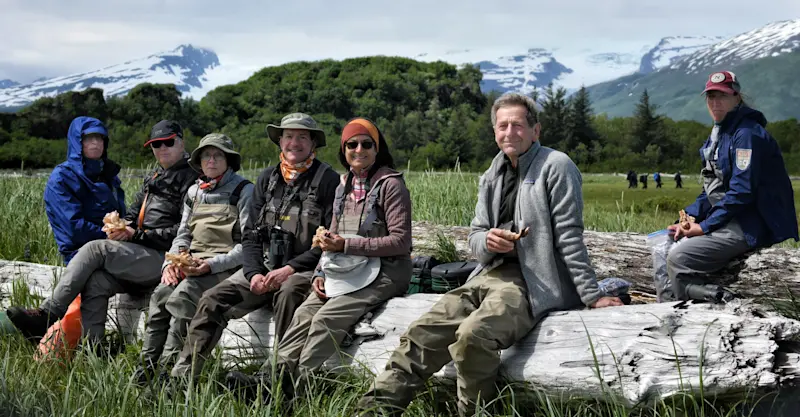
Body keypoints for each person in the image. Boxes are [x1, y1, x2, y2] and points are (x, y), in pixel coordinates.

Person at [356, 93, 622, 416]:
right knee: (421, 333)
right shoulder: (491, 174)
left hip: (534, 281)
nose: (509, 132)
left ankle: (474, 412)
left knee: (473, 335)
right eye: (502, 125)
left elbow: (569, 238)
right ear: (494, 131)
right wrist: (489, 242)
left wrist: (592, 295)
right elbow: (475, 236)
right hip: (487, 275)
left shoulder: (557, 167)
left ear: (535, 130)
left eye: (518, 125)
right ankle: (372, 411)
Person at [225, 117, 413, 404]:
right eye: (351, 144)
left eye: (366, 144)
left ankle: (293, 394)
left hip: (386, 271)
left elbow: (401, 242)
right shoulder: (343, 186)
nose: (358, 149)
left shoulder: (390, 185)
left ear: (378, 148)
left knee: (326, 317)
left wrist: (346, 244)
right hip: (344, 269)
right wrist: (318, 274)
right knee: (304, 312)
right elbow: (328, 239)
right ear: (343, 149)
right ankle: (268, 379)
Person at [169, 113, 339, 380]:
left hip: (305, 269)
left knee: (289, 292)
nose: (295, 143)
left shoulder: (328, 180)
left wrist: (290, 269)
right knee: (213, 299)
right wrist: (254, 273)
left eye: (302, 137)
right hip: (264, 267)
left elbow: (328, 241)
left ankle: (277, 378)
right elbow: (250, 236)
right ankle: (183, 377)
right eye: (289, 136)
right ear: (280, 141)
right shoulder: (267, 178)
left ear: (313, 143)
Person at [7, 120, 198, 344]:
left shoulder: (193, 178)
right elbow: (132, 215)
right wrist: (121, 227)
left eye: (168, 142)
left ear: (182, 142)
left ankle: (48, 314)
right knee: (96, 281)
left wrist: (134, 235)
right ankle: (94, 348)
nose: (162, 148)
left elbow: (186, 230)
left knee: (95, 248)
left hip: (166, 260)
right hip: (138, 256)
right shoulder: (154, 177)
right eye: (156, 144)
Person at [666, 71, 798, 303]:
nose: (715, 103)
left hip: (750, 223)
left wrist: (705, 226)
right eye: (710, 97)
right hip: (729, 219)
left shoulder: (746, 135)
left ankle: (718, 301)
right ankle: (668, 310)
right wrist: (689, 216)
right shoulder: (720, 134)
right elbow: (713, 188)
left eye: (723, 96)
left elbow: (741, 191)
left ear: (737, 98)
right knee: (664, 243)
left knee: (679, 256)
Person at [133, 133, 254, 383]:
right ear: (198, 161)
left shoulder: (244, 191)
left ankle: (168, 376)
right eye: (206, 155)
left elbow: (247, 247)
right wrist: (171, 263)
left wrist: (210, 265)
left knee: (182, 298)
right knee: (160, 296)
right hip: (190, 263)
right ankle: (144, 373)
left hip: (223, 266)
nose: (211, 160)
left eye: (218, 155)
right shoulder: (193, 192)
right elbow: (183, 235)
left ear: (229, 160)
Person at [44, 116, 126, 265]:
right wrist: (112, 234)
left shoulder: (109, 174)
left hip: (115, 246)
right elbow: (73, 227)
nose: (95, 142)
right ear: (77, 142)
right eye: (88, 138)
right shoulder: (61, 178)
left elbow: (122, 213)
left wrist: (126, 230)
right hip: (79, 254)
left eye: (99, 138)